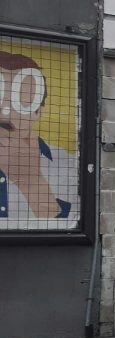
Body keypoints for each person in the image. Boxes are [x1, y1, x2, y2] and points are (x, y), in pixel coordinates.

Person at [0, 50, 78, 227]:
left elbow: (72, 226)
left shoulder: (66, 163)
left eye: (20, 101)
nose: (4, 112)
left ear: (38, 112)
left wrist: (31, 181)